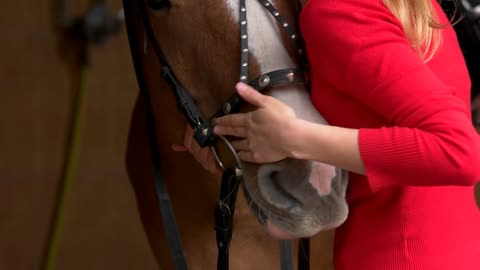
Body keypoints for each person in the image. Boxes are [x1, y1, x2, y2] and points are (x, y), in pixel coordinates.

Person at [173, 0, 480, 269]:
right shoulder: (414, 6)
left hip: (398, 257)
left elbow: (457, 152)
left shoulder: (335, 13)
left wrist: (294, 139)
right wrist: (229, 133)